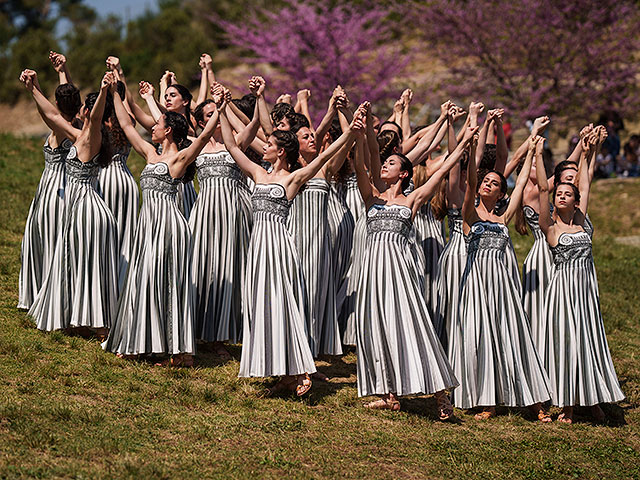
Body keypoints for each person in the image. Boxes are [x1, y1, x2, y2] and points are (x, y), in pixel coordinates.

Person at [220, 91, 361, 396]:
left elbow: (323, 156)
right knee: (263, 304)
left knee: (284, 304)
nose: (264, 148)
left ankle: (301, 368)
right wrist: (221, 110)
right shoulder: (258, 172)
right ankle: (282, 374)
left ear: (281, 152)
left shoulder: (294, 179)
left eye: (269, 145)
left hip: (280, 248)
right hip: (258, 248)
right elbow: (232, 146)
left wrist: (349, 131)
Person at [353, 102, 471, 419]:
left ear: (403, 173)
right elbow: (364, 159)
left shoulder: (412, 198)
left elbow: (445, 169)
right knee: (377, 327)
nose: (384, 166)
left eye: (391, 164)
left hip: (401, 273)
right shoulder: (371, 196)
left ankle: (440, 396)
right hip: (372, 272)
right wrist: (361, 129)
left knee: (412, 325)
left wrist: (464, 136)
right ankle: (390, 394)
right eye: (384, 162)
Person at [103, 79, 221, 366]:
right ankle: (140, 341)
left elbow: (204, 138)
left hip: (170, 226)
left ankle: (180, 352)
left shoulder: (179, 159)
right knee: (143, 278)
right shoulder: (149, 153)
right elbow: (127, 126)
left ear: (167, 130)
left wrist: (220, 108)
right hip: (148, 226)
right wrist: (115, 94)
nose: (152, 127)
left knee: (167, 281)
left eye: (157, 125)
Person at [457, 134, 551, 422]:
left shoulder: (503, 218)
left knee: (513, 335)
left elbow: (521, 183)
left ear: (500, 194)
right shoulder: (469, 214)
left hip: (503, 286)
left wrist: (533, 152)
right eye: (487, 181)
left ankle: (532, 400)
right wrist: (473, 151)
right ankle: (487, 401)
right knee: (481, 337)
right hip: (477, 285)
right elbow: (472, 182)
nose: (488, 184)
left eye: (495, 184)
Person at [535, 126, 624, 423]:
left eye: (567, 194)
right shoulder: (551, 228)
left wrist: (591, 150)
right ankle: (567, 404)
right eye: (559, 193)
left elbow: (586, 185)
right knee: (566, 341)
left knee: (588, 339)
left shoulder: (582, 222)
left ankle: (592, 399)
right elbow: (544, 190)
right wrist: (537, 152)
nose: (561, 196)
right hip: (562, 292)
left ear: (574, 200)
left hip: (584, 290)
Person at [23, 70, 118, 338]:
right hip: (77, 207)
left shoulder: (91, 137)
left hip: (88, 208)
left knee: (87, 263)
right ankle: (75, 315)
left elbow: (98, 116)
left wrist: (102, 92)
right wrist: (33, 89)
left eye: (87, 109)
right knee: (70, 259)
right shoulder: (78, 135)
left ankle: (100, 324)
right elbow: (52, 116)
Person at [187, 79, 259, 359]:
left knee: (231, 268)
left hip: (234, 212)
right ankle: (198, 328)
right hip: (205, 212)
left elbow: (254, 129)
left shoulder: (235, 143)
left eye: (216, 114)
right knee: (203, 268)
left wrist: (231, 105)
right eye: (208, 115)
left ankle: (224, 334)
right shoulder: (196, 145)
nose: (214, 117)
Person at [17, 61, 81, 310]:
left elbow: (50, 113)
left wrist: (33, 88)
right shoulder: (77, 125)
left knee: (45, 237)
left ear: (57, 104)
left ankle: (42, 294)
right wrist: (61, 72)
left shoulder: (61, 128)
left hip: (55, 189)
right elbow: (60, 106)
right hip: (69, 186)